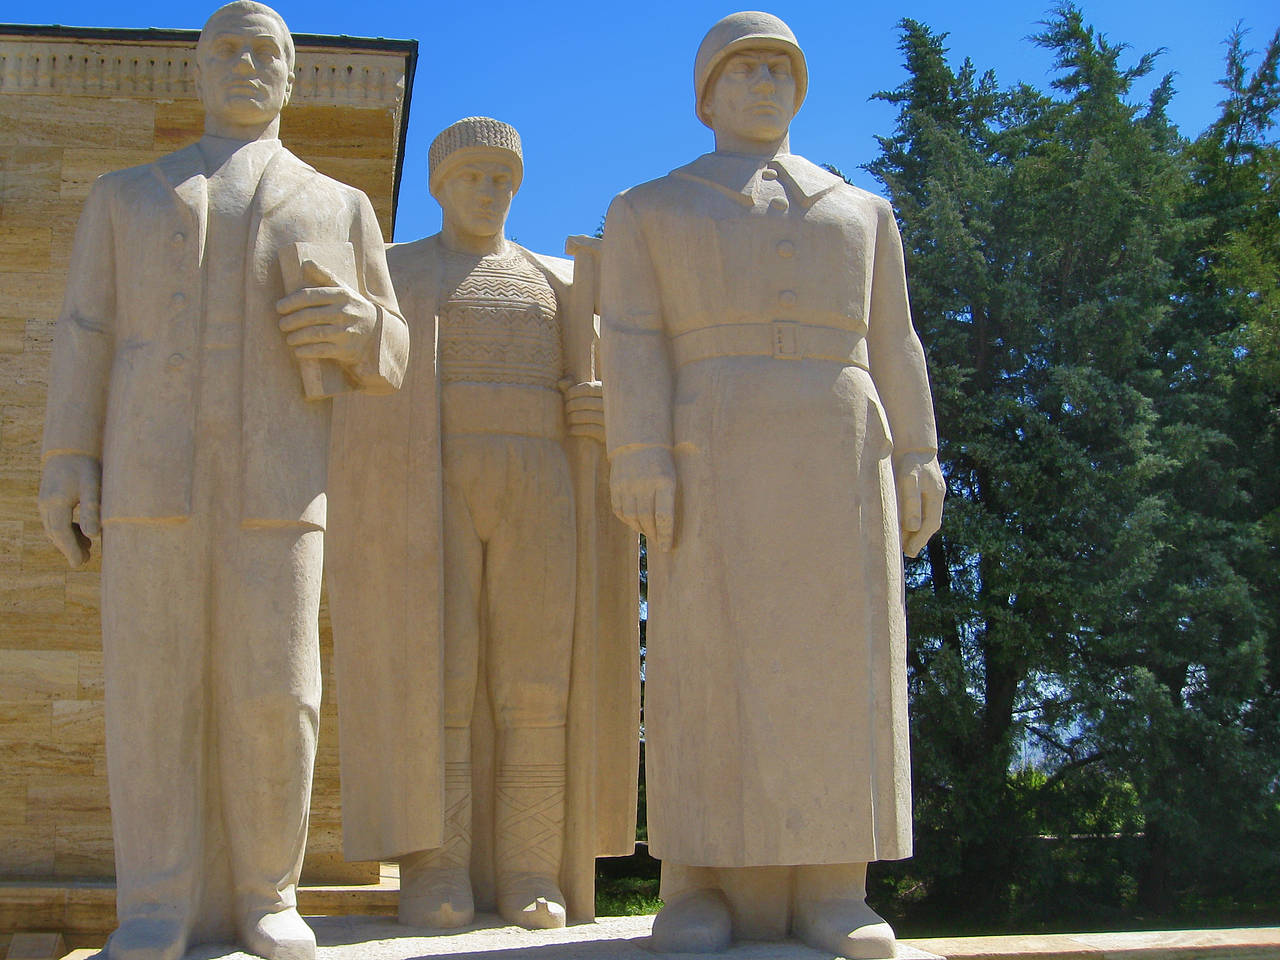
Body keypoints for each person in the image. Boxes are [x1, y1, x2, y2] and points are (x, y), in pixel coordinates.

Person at [36, 4, 408, 959]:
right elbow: (85, 332)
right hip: (150, 477)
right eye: (228, 51)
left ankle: (266, 896)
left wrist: (365, 333)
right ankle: (157, 904)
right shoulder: (128, 197)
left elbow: (396, 348)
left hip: (280, 484)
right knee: (152, 689)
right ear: (199, 72)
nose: (247, 65)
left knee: (278, 692)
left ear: (291, 79)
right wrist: (67, 459)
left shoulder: (339, 203)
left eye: (267, 54)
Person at [599, 11, 945, 957]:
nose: (762, 84)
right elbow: (628, 335)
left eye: (778, 69)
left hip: (843, 449)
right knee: (707, 656)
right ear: (706, 92)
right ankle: (702, 884)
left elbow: (896, 338)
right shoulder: (650, 207)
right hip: (711, 446)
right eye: (742, 70)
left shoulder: (862, 209)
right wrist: (638, 452)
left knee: (842, 664)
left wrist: (918, 451)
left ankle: (836, 885)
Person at [326, 117, 638, 931]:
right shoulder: (398, 273)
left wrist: (603, 409)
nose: (489, 191)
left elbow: (614, 376)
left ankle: (534, 867)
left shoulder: (559, 280)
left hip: (540, 480)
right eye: (473, 177)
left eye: (503, 179)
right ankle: (437, 869)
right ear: (440, 184)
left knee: (536, 682)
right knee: (443, 677)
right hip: (429, 484)